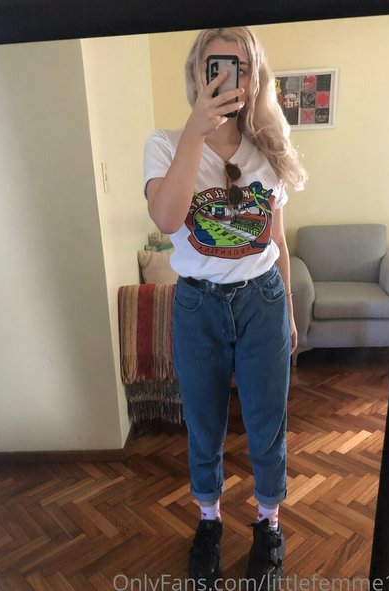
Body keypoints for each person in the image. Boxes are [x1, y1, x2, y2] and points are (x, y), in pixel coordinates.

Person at [143, 26, 307, 590]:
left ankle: (269, 524)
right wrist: (197, 131)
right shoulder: (165, 144)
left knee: (267, 424)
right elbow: (167, 219)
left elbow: (277, 241)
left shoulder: (269, 150)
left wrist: (288, 311)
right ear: (196, 73)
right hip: (198, 305)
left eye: (238, 66)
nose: (224, 77)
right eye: (213, 65)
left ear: (252, 77)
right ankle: (209, 521)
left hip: (263, 300)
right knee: (204, 423)